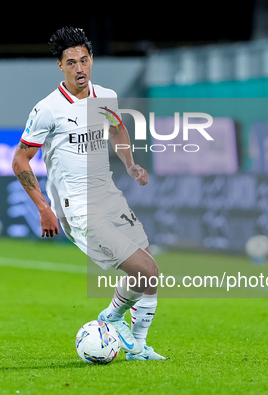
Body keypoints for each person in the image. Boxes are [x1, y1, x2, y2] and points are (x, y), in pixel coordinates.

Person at [12, 26, 166, 360]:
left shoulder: (105, 96)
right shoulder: (48, 109)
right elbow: (20, 159)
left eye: (84, 60)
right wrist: (43, 207)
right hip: (78, 208)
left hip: (109, 195)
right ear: (61, 66)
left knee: (149, 270)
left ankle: (134, 343)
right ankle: (114, 320)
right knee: (147, 271)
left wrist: (130, 163)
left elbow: (117, 129)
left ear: (92, 60)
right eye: (71, 62)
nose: (79, 68)